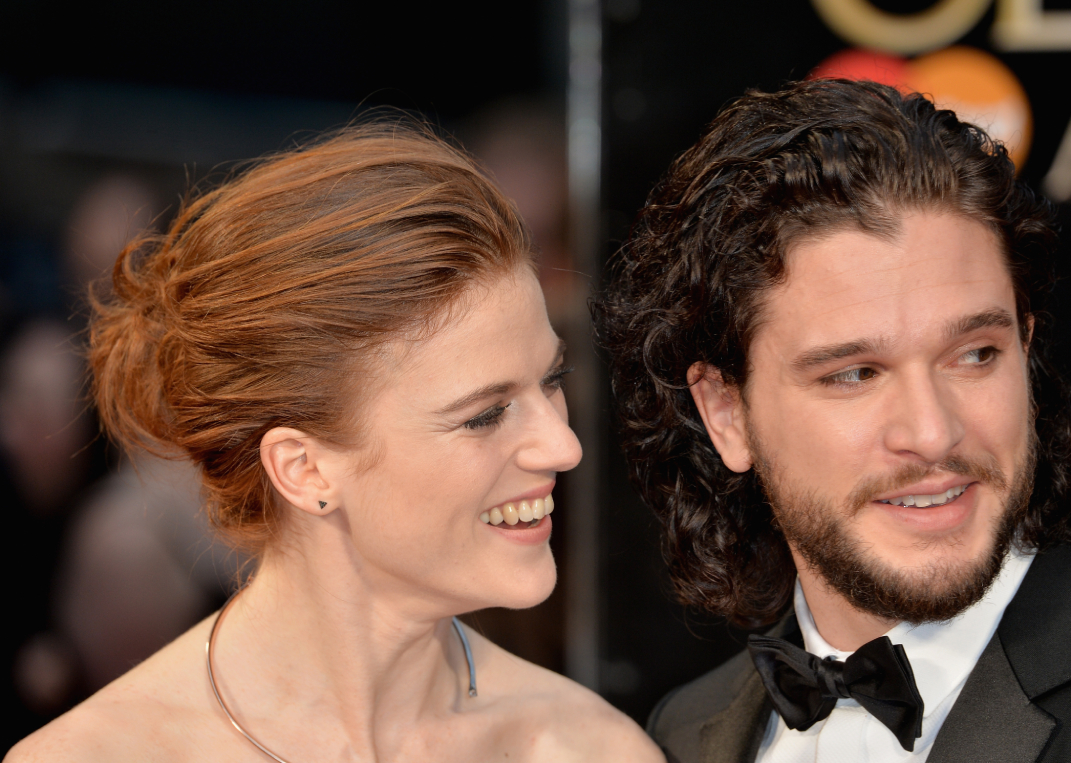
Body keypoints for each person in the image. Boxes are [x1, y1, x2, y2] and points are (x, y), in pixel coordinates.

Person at [6, 122, 664, 762]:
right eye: (485, 415)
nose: (563, 446)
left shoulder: (592, 748)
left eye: (552, 381)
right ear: (303, 468)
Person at [595, 79, 1071, 762]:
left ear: (1026, 349)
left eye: (974, 354)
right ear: (725, 412)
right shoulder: (683, 733)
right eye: (855, 374)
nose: (933, 431)